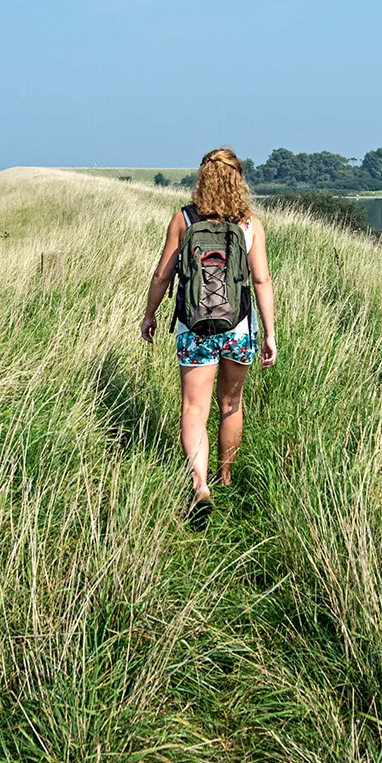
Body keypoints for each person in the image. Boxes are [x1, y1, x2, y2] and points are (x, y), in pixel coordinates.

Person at [141, 148, 278, 529]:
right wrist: (269, 333)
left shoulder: (184, 219)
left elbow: (162, 275)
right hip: (239, 329)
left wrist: (150, 315)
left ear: (201, 178)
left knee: (194, 409)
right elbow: (261, 281)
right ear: (239, 180)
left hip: (193, 328)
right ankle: (226, 478)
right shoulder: (250, 224)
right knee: (231, 405)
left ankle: (200, 485)